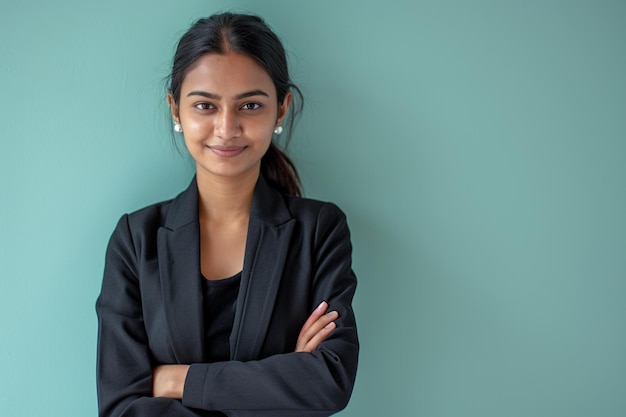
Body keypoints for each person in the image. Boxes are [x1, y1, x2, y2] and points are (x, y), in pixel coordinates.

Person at [95, 12, 359, 417]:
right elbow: (120, 405)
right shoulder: (136, 239)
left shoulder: (319, 231)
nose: (226, 127)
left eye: (250, 105)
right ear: (176, 110)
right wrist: (276, 382)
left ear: (281, 110)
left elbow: (326, 382)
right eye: (205, 105)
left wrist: (175, 380)